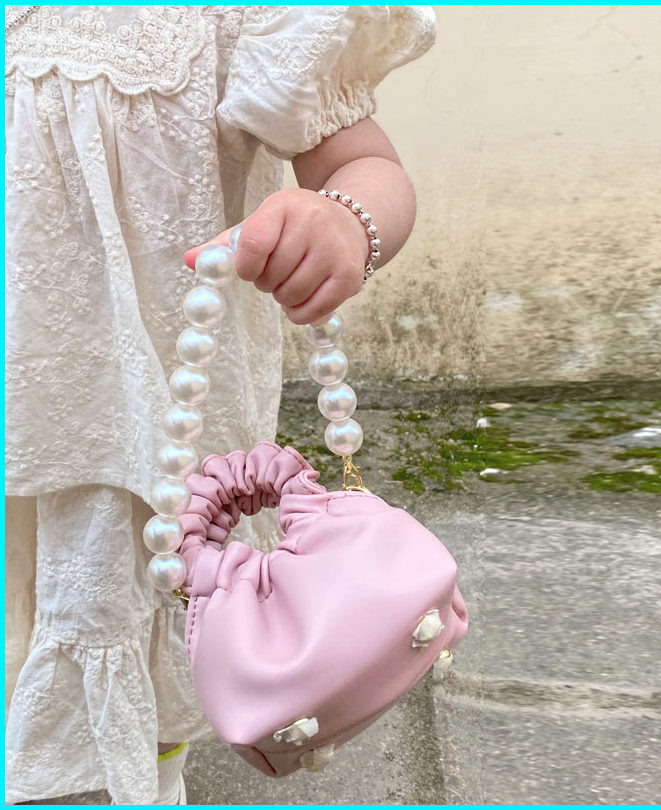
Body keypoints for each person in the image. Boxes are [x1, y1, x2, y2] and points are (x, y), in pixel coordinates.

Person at [5, 5, 437, 804]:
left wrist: (346, 221)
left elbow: (364, 162)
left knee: (116, 673)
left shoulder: (243, 16)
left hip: (126, 446)